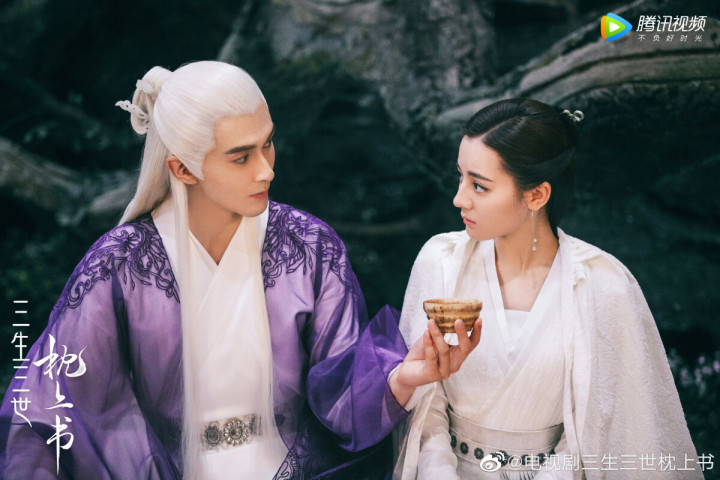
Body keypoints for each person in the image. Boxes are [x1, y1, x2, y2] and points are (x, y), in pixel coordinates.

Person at [0, 60, 481, 480]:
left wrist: (403, 377)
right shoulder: (122, 264)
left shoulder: (309, 247)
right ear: (182, 169)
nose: (266, 169)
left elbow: (340, 392)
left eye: (268, 145)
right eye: (241, 156)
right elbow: (44, 409)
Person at [393, 99, 701, 479]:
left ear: (537, 195)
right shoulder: (441, 261)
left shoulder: (601, 284)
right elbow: (424, 403)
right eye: (460, 177)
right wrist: (440, 471)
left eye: (479, 185)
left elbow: (609, 426)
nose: (459, 198)